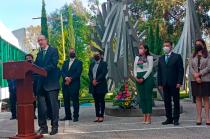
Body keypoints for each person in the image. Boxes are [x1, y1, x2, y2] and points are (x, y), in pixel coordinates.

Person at [35, 35, 60, 135]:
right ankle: (43, 127)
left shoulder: (53, 51)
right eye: (38, 41)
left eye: (41, 40)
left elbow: (53, 64)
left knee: (53, 108)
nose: (40, 42)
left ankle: (54, 127)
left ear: (46, 40)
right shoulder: (39, 54)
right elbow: (35, 66)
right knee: (41, 108)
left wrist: (42, 70)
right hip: (41, 85)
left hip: (51, 84)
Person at [157, 40, 184, 126]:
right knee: (167, 102)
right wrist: (159, 83)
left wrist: (179, 82)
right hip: (165, 84)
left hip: (175, 83)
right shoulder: (161, 58)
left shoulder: (177, 57)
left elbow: (180, 71)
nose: (165, 47)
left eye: (167, 45)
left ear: (171, 46)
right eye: (164, 45)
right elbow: (159, 72)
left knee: (176, 102)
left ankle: (176, 119)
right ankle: (169, 118)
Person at [190, 39, 210, 125]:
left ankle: (208, 117)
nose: (197, 45)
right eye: (196, 44)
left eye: (199, 44)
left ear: (203, 45)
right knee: (198, 98)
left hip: (205, 79)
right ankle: (199, 117)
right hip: (195, 80)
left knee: (206, 98)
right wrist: (195, 75)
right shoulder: (192, 55)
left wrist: (200, 74)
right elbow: (190, 67)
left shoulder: (208, 55)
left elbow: (209, 67)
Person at [60, 48, 83, 122]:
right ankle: (68, 116)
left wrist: (71, 79)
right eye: (70, 52)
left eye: (73, 52)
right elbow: (62, 71)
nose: (71, 53)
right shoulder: (65, 62)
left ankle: (75, 116)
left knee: (75, 101)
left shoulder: (79, 62)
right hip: (65, 84)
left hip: (74, 84)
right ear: (68, 53)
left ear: (75, 53)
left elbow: (78, 73)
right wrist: (66, 78)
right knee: (66, 101)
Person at [134, 43, 154, 124]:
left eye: (141, 48)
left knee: (147, 97)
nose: (140, 49)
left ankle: (149, 116)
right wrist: (136, 77)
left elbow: (150, 69)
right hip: (138, 77)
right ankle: (144, 115)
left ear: (145, 49)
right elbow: (134, 68)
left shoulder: (149, 57)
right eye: (139, 48)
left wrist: (143, 78)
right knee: (142, 97)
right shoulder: (137, 58)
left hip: (147, 78)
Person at [89, 50, 108, 122]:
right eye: (95, 54)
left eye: (97, 54)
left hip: (101, 84)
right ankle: (97, 115)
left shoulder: (104, 64)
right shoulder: (92, 64)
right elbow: (89, 74)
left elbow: (103, 73)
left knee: (101, 100)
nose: (96, 55)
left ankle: (101, 116)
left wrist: (96, 80)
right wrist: (92, 81)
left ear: (101, 55)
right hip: (93, 85)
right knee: (96, 101)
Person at [25, 54, 37, 119]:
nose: (28, 59)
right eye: (26, 58)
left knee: (34, 100)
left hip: (34, 85)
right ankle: (28, 114)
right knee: (28, 100)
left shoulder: (35, 66)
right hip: (26, 86)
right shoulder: (23, 66)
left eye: (29, 58)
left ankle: (33, 114)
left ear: (32, 59)